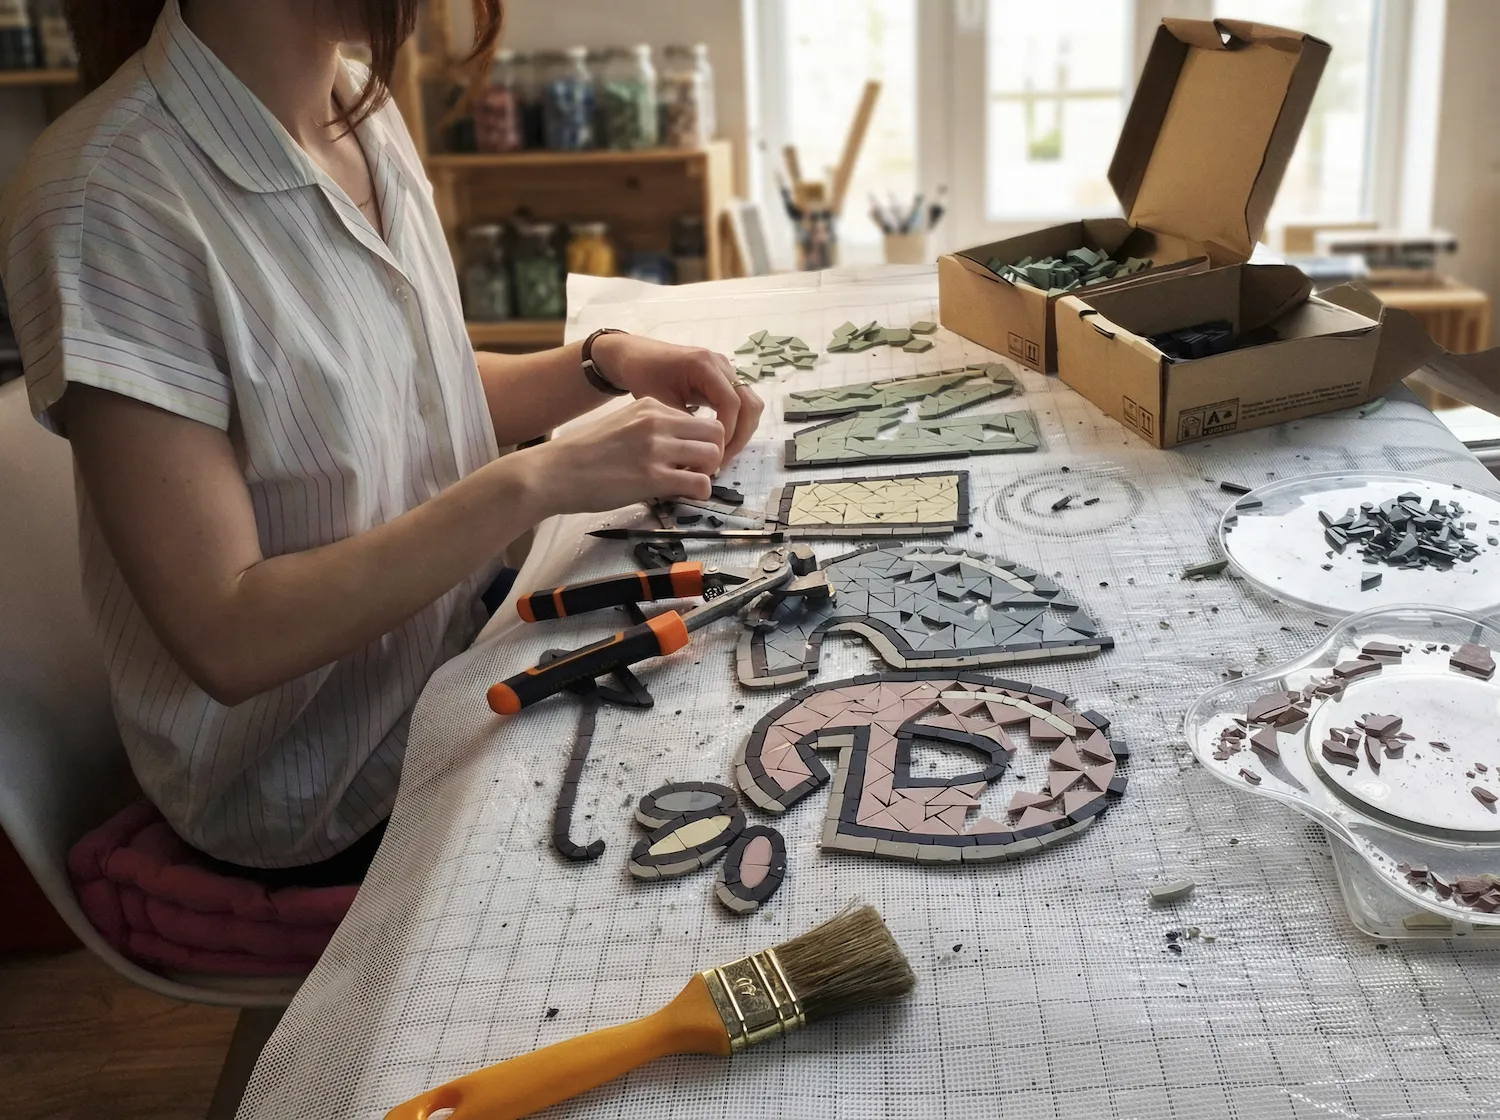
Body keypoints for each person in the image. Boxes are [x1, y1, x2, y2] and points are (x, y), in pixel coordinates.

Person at [0, 0, 763, 884]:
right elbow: (230, 634)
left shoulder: (356, 100)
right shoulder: (111, 199)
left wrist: (603, 361)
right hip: (313, 780)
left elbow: (401, 388)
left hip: (446, 651)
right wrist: (535, 481)